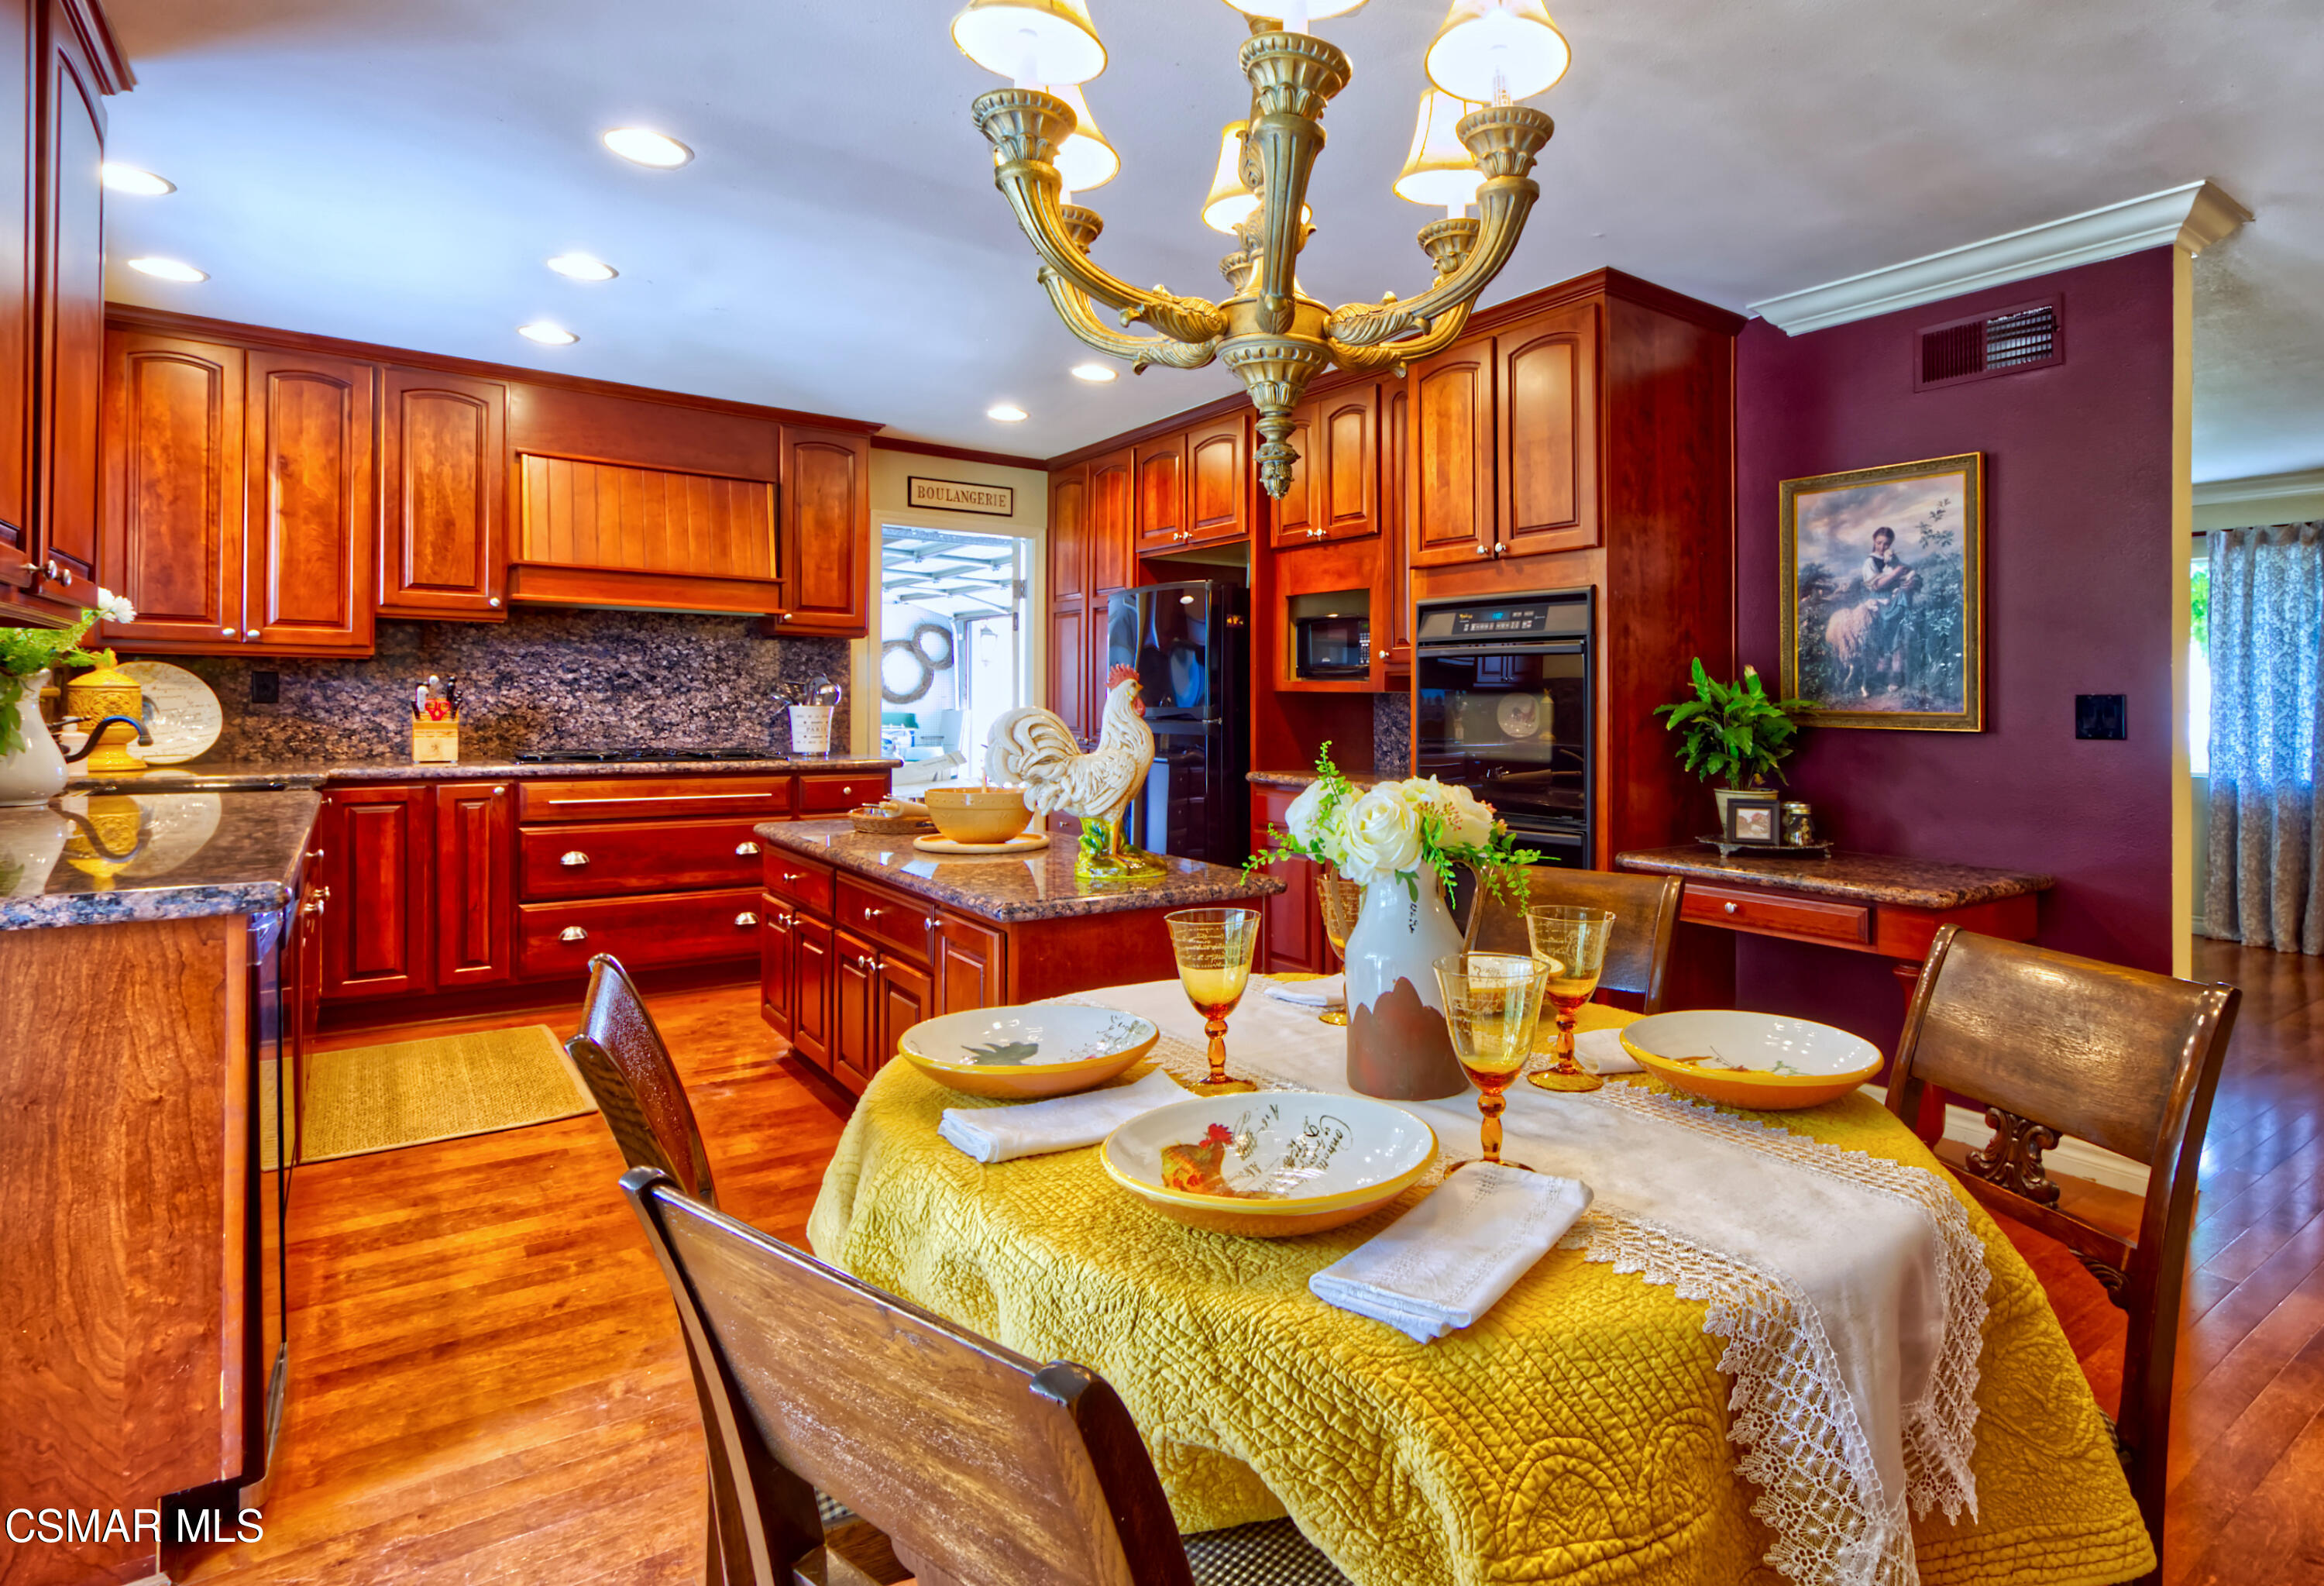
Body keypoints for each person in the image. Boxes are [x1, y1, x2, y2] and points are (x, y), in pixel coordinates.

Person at [1861, 526, 1920, 693]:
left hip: (1895, 600)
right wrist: (1897, 573)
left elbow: (1906, 572)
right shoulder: (1870, 562)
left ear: (1891, 544)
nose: (1882, 547)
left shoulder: (1893, 558)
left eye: (1886, 544)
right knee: (1881, 639)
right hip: (1879, 604)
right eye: (1879, 543)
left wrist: (1910, 582)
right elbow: (1877, 585)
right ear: (1874, 541)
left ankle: (1895, 677)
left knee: (1897, 639)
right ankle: (1878, 675)